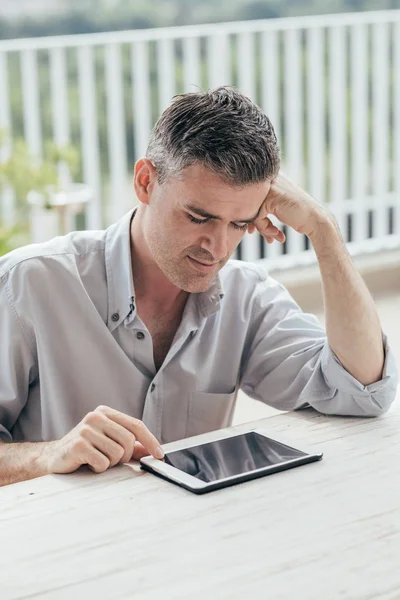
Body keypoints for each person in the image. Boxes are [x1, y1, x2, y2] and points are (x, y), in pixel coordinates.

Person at [0, 87, 397, 487]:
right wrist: (49, 454)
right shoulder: (31, 284)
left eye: (240, 224)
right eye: (198, 217)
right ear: (145, 182)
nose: (217, 248)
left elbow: (363, 392)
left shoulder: (247, 298)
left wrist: (323, 231)